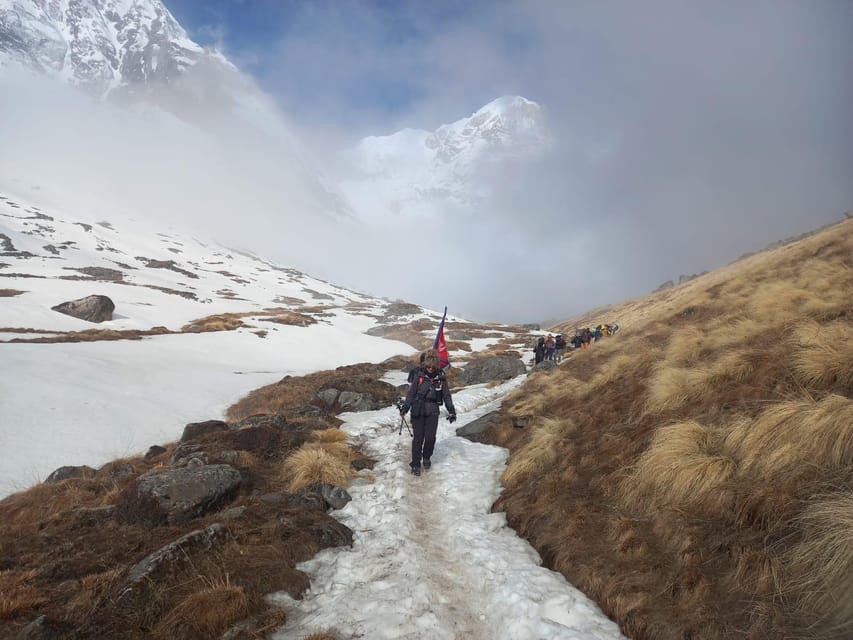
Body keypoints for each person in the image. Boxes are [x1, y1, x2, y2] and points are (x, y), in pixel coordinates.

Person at [399, 349, 456, 476]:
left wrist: (451, 411)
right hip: (417, 410)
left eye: (432, 366)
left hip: (433, 411)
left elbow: (446, 395)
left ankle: (426, 457)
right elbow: (411, 393)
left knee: (430, 438)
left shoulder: (441, 377)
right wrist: (405, 407)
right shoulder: (419, 376)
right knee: (418, 438)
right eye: (428, 366)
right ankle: (415, 464)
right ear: (425, 364)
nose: (430, 369)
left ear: (436, 365)